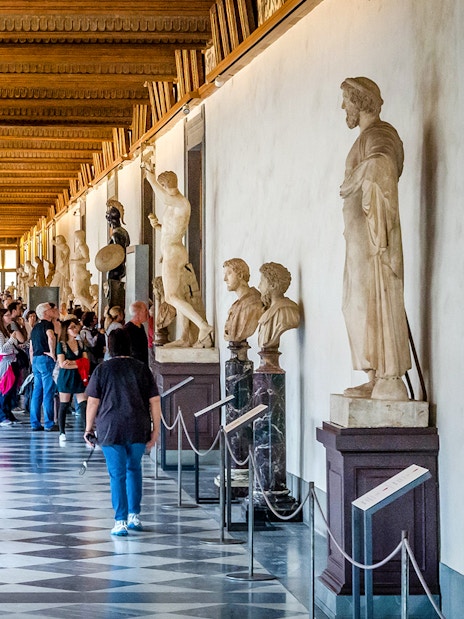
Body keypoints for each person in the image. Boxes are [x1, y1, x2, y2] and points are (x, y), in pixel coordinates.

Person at [340, 77, 411, 401]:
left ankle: (386, 376)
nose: (344, 107)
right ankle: (373, 376)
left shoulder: (379, 134)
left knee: (370, 302)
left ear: (360, 101)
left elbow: (384, 159)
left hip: (372, 242)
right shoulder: (363, 138)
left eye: (347, 101)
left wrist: (358, 176)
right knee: (354, 305)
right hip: (356, 241)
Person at [84, 328, 160, 536]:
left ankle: (120, 521)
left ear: (109, 346)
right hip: (138, 425)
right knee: (134, 469)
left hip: (110, 426)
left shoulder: (102, 369)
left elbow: (92, 402)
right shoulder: (142, 368)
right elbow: (154, 401)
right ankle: (134, 515)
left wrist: (88, 427)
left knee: (117, 474)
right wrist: (156, 430)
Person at [143, 165, 213, 348]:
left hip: (174, 252)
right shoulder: (174, 204)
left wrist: (150, 178)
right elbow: (170, 230)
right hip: (171, 250)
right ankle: (185, 337)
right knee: (180, 295)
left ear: (166, 186)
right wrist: (156, 226)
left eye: (163, 186)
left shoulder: (181, 202)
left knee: (171, 296)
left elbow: (165, 198)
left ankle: (203, 326)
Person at [56, 318, 89, 443]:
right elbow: (62, 364)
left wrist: (73, 363)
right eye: (72, 327)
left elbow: (86, 362)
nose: (75, 329)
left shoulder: (81, 344)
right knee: (64, 405)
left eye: (76, 327)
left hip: (80, 377)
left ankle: (87, 430)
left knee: (83, 404)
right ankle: (62, 431)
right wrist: (79, 363)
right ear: (66, 330)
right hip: (66, 377)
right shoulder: (61, 345)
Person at [29, 302, 60, 431]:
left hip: (36, 359)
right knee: (48, 391)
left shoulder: (35, 328)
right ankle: (48, 423)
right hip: (46, 359)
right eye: (51, 309)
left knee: (37, 392)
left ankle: (34, 422)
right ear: (45, 313)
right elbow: (51, 337)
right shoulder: (48, 324)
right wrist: (53, 353)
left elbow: (31, 347)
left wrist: (32, 362)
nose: (54, 310)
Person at [257, 262, 300, 351]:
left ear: (272, 285)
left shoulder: (286, 311)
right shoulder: (268, 310)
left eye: (262, 281)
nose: (258, 286)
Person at [223, 258, 264, 344]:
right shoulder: (237, 305)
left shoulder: (253, 303)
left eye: (229, 273)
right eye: (224, 274)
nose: (225, 279)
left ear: (240, 275)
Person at [0, 308, 25, 426]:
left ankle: (8, 413)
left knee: (11, 390)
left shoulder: (6, 330)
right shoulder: (0, 332)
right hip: (5, 363)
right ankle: (2, 416)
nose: (10, 317)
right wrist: (11, 340)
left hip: (12, 361)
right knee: (5, 389)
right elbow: (2, 350)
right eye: (7, 315)